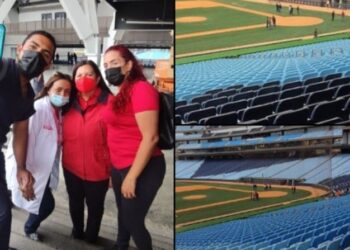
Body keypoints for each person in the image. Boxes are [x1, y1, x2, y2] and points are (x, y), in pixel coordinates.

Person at [103, 45, 166, 250]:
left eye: (114, 63)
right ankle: (121, 246)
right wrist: (115, 171)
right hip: (120, 165)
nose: (108, 69)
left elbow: (151, 137)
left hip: (142, 167)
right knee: (124, 214)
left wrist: (131, 177)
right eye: (105, 65)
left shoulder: (141, 89)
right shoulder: (121, 92)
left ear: (128, 65)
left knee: (133, 220)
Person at [0, 30, 56, 250]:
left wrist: (21, 168)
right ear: (20, 49)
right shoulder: (4, 69)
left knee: (4, 214)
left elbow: (21, 131)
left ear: (49, 64)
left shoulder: (28, 95)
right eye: (33, 47)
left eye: (45, 54)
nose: (37, 55)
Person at [6, 72, 73, 241]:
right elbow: (23, 141)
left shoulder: (57, 111)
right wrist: (23, 173)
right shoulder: (38, 109)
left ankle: (23, 213)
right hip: (30, 169)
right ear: (48, 89)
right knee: (46, 205)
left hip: (45, 169)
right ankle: (29, 228)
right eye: (58, 90)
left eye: (67, 92)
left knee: (39, 200)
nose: (63, 95)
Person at [62, 60, 112, 244]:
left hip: (99, 170)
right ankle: (77, 231)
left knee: (95, 208)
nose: (84, 79)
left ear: (98, 78)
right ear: (74, 80)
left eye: (89, 74)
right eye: (79, 75)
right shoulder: (66, 103)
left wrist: (114, 171)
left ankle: (91, 238)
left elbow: (117, 140)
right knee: (75, 204)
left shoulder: (110, 103)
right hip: (71, 167)